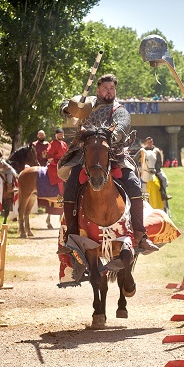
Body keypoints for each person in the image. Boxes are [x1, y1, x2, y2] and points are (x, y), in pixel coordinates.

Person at [59, 73, 158, 253]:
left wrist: (114, 134)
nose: (109, 91)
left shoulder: (119, 109)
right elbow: (66, 104)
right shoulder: (86, 103)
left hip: (115, 155)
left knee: (135, 186)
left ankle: (140, 235)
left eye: (112, 88)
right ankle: (71, 237)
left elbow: (123, 123)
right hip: (85, 155)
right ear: (98, 89)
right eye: (105, 88)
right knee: (70, 188)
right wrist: (69, 108)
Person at [133, 136, 171, 201]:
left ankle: (163, 194)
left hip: (155, 170)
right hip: (144, 169)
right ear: (146, 143)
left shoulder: (156, 151)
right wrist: (139, 167)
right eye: (148, 142)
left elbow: (159, 162)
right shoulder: (142, 151)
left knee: (163, 178)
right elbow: (135, 159)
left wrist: (156, 169)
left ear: (152, 142)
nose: (150, 143)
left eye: (151, 142)